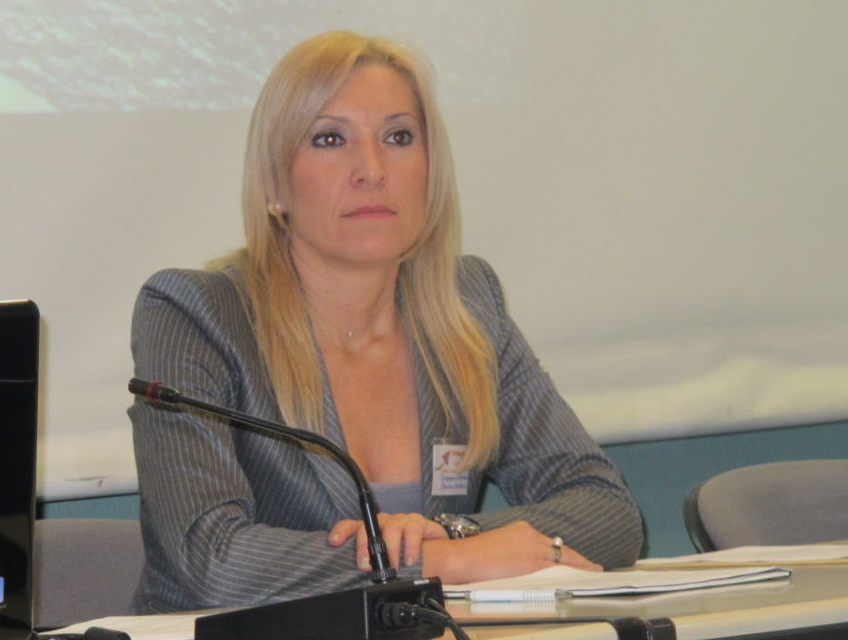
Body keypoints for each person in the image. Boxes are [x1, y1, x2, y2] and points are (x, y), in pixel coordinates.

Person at [128, 30, 643, 614]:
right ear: (274, 184)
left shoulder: (467, 306)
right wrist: (440, 564)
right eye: (330, 138)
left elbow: (607, 510)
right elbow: (212, 563)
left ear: (430, 169)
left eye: (398, 137)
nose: (372, 169)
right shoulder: (194, 315)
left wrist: (452, 533)